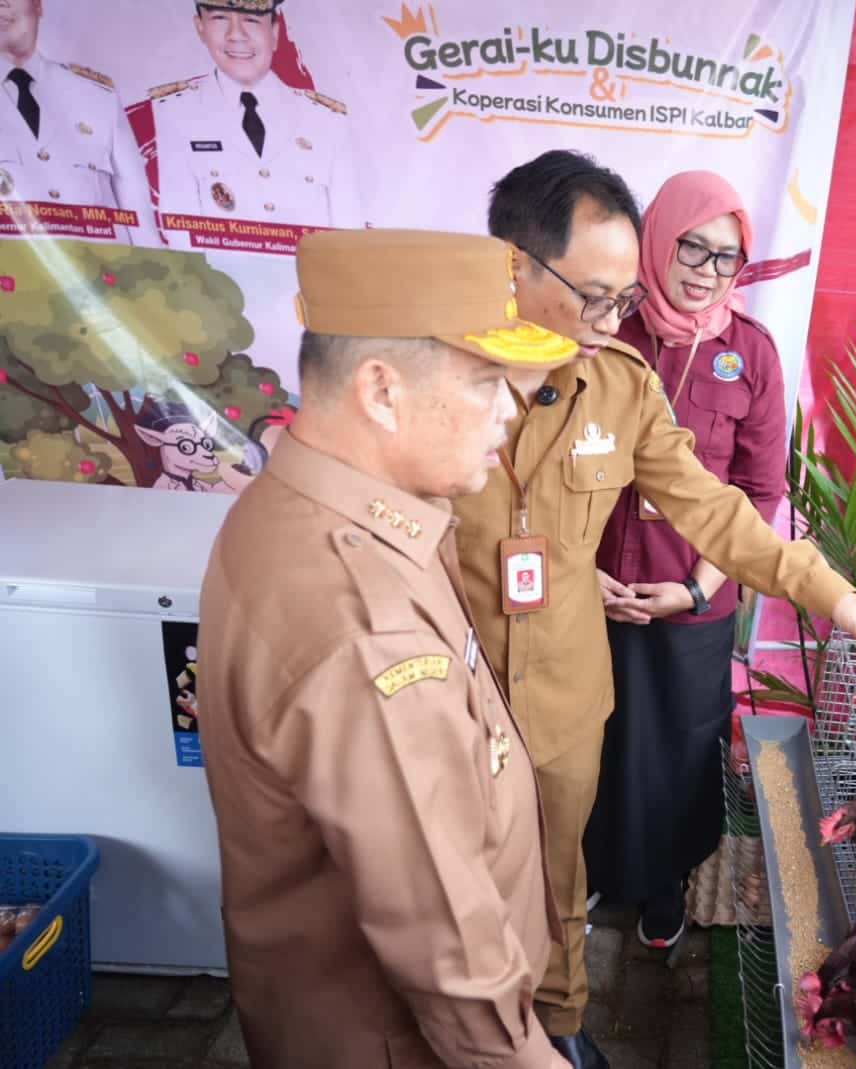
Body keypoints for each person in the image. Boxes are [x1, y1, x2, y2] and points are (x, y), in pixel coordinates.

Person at [454, 149, 856, 1069]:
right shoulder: (435, 377)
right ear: (514, 266)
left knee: (560, 873)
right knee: (449, 872)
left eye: (621, 299)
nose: (610, 321)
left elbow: (722, 507)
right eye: (594, 296)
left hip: (559, 692)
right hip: (451, 688)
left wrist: (835, 597)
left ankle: (556, 1025)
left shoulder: (622, 385)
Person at [195, 228, 581, 1069]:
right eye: (486, 383)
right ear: (381, 390)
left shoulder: (305, 506)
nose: (511, 412)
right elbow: (446, 945)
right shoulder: (366, 624)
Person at [581, 171, 785, 949]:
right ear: (656, 240)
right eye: (691, 246)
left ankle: (663, 881)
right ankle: (591, 867)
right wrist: (575, 572)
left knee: (674, 744)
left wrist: (696, 590)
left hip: (691, 596)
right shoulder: (603, 333)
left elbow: (760, 491)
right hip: (588, 587)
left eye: (725, 256)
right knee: (593, 737)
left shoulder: (752, 355)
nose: (703, 267)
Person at [149, 0, 363, 228]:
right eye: (220, 18)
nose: (236, 35)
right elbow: (181, 229)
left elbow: (349, 230)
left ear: (274, 32)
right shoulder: (174, 113)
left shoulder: (327, 120)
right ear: (200, 27)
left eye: (251, 19)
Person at [0, 0, 158, 243]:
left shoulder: (97, 96)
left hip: (103, 274)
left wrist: (153, 278)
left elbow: (139, 220)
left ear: (38, 5)